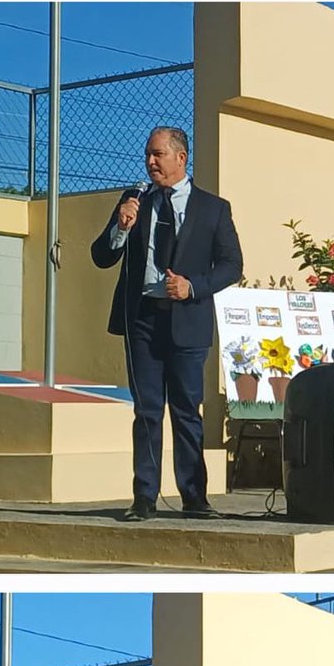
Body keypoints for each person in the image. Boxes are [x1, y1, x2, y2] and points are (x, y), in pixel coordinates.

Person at [91, 126, 243, 522]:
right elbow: (101, 256)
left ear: (181, 157)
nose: (150, 162)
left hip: (187, 322)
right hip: (142, 319)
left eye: (157, 154)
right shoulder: (135, 200)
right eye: (148, 154)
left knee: (186, 411)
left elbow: (232, 265)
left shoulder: (213, 208)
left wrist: (193, 287)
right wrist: (121, 228)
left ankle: (194, 497)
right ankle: (144, 498)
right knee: (147, 411)